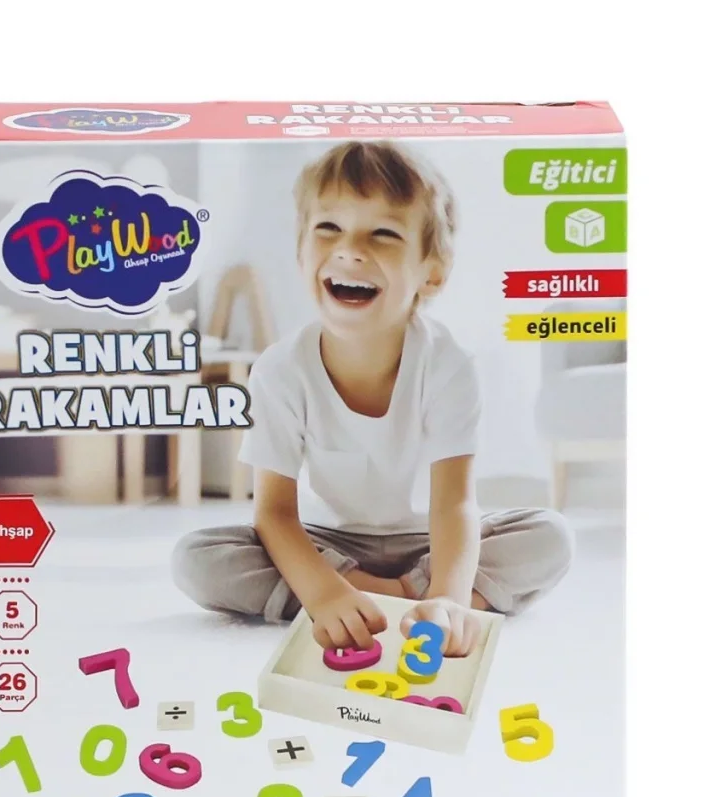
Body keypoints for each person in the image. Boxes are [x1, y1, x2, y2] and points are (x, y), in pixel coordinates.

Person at [173, 141, 572, 655]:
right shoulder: (279, 370)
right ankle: (384, 602)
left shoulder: (448, 364)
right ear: (301, 252)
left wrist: (449, 596)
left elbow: (454, 504)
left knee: (550, 536)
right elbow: (274, 514)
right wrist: (324, 588)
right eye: (328, 228)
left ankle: (395, 601)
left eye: (383, 233)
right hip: (326, 542)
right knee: (199, 557)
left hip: (427, 542)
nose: (349, 250)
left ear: (431, 272)